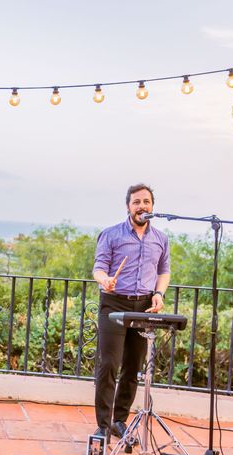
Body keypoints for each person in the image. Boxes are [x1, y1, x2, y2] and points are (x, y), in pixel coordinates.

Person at [92, 183, 170, 441]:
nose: (142, 206)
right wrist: (105, 280)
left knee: (133, 368)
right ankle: (102, 426)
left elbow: (163, 271)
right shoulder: (111, 234)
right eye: (137, 202)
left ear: (152, 206)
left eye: (146, 202)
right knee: (109, 365)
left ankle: (119, 421)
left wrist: (159, 294)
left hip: (144, 306)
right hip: (114, 304)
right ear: (128, 206)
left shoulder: (161, 239)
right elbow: (99, 267)